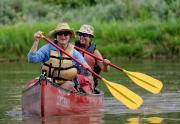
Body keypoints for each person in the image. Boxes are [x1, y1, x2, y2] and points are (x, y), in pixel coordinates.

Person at [28, 22, 90, 92]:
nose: (63, 36)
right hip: (47, 83)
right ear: (56, 36)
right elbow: (32, 59)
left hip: (65, 85)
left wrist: (85, 67)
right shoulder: (47, 49)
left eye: (66, 34)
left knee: (69, 85)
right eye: (60, 33)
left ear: (69, 36)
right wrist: (36, 41)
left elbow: (86, 70)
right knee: (32, 85)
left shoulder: (75, 53)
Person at [75, 24, 110, 93]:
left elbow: (105, 70)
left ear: (90, 38)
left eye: (85, 35)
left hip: (88, 80)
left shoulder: (95, 52)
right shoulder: (73, 47)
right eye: (80, 34)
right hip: (73, 77)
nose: (81, 37)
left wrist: (106, 64)